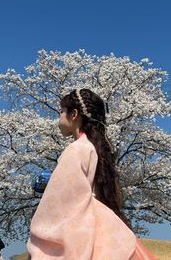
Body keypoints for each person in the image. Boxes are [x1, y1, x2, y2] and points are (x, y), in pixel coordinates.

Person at [27, 88, 156, 259]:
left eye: (61, 111)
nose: (58, 118)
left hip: (82, 233)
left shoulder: (75, 150)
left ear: (74, 114)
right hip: (104, 230)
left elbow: (58, 205)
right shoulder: (96, 149)